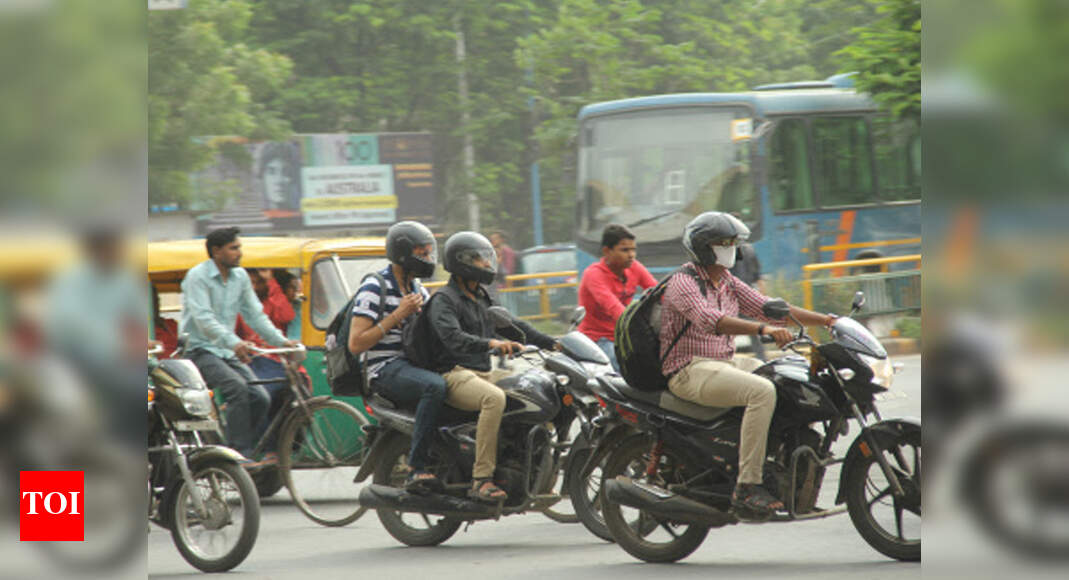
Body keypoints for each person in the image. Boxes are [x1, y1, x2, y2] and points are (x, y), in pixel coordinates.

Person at [661, 212, 836, 517]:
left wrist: (828, 320)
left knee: (790, 380)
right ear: (704, 247)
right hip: (689, 370)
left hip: (723, 363)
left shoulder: (726, 281)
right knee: (761, 392)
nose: (731, 248)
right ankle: (747, 486)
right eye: (723, 242)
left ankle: (776, 462)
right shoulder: (683, 282)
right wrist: (762, 329)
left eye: (733, 242)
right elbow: (711, 320)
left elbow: (768, 308)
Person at [423, 231, 558, 502]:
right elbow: (453, 338)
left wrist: (553, 343)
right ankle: (481, 479)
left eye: (488, 258)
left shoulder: (481, 296)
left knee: (536, 390)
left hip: (482, 371)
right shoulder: (443, 300)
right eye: (479, 259)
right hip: (453, 372)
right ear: (461, 262)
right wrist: (492, 344)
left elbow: (514, 325)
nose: (487, 264)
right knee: (494, 399)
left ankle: (524, 463)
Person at [179, 226, 298, 465]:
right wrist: (235, 342)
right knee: (237, 388)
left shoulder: (240, 277)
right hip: (199, 349)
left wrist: (283, 342)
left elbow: (255, 315)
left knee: (260, 397)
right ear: (216, 251)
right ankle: (235, 455)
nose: (239, 253)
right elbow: (204, 320)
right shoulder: (197, 277)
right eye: (234, 248)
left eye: (239, 247)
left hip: (226, 351)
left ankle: (238, 447)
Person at [347, 221, 448, 492]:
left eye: (429, 252)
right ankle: (416, 468)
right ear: (402, 254)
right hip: (383, 368)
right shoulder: (374, 287)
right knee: (434, 387)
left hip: (411, 364)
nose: (427, 258)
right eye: (421, 252)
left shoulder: (418, 289)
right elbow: (356, 344)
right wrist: (398, 315)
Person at [577, 223, 657, 371]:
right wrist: (637, 327)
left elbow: (657, 292)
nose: (631, 255)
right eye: (624, 250)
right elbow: (613, 307)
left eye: (633, 249)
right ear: (607, 251)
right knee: (622, 369)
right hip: (597, 339)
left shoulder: (635, 267)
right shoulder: (593, 274)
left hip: (622, 336)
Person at [729, 241, 768, 361]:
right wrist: (762, 298)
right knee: (754, 331)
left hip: (732, 298)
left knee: (726, 330)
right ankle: (762, 360)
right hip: (747, 297)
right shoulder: (749, 249)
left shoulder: (729, 251)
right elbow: (758, 276)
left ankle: (726, 359)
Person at [273, 269, 303, 340]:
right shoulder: (275, 303)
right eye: (291, 287)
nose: (295, 290)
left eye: (296, 287)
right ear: (283, 288)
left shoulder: (298, 305)